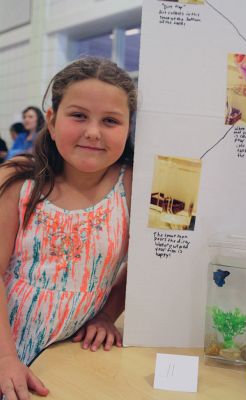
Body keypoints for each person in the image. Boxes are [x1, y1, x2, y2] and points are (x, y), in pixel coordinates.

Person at [0, 57, 137, 399]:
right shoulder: (20, 179)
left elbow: (148, 268)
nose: (93, 131)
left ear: (128, 127)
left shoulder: (132, 187)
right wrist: (5, 357)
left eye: (110, 120)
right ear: (52, 118)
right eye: (78, 115)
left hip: (66, 357)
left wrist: (107, 314)